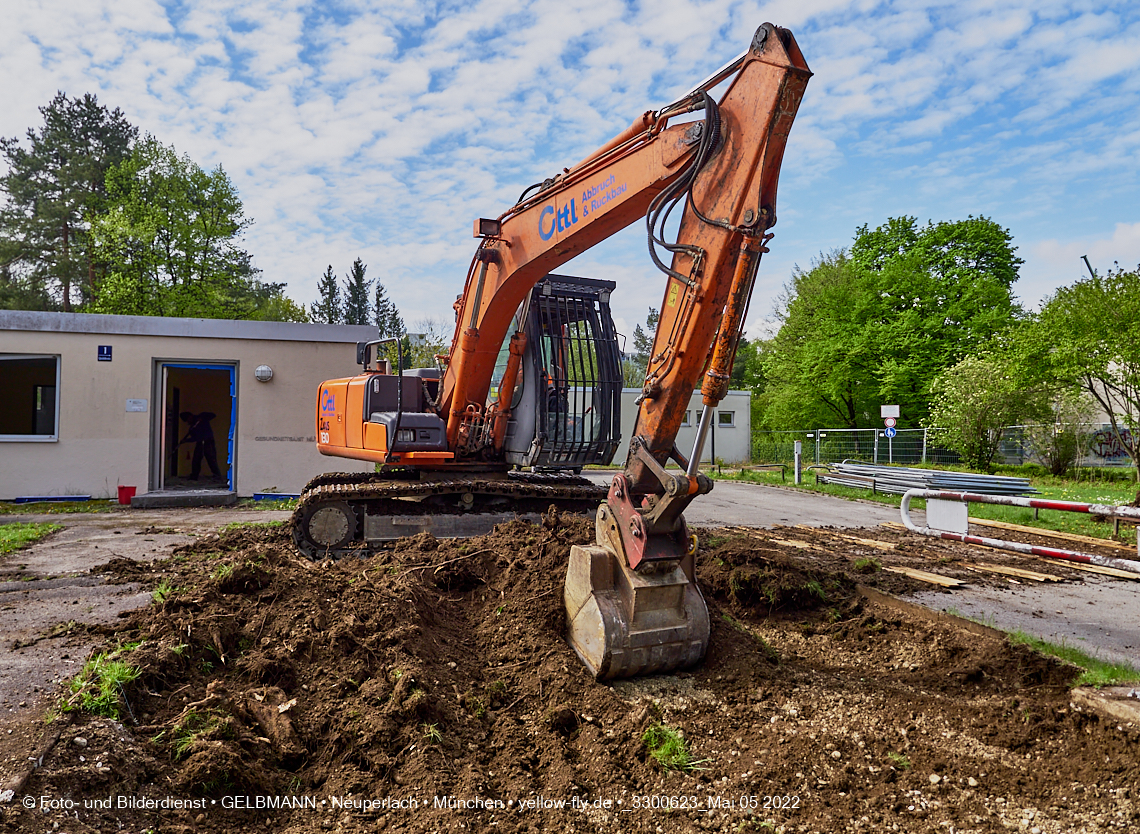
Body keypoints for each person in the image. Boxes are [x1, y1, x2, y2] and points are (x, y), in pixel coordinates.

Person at [178, 411, 222, 481]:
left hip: (208, 441)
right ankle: (194, 476)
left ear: (191, 416)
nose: (188, 421)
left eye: (188, 419)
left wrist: (202, 418)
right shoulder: (192, 428)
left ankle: (217, 476)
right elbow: (195, 438)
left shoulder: (202, 416)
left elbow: (213, 415)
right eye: (187, 421)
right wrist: (186, 440)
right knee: (196, 459)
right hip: (200, 442)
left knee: (211, 459)